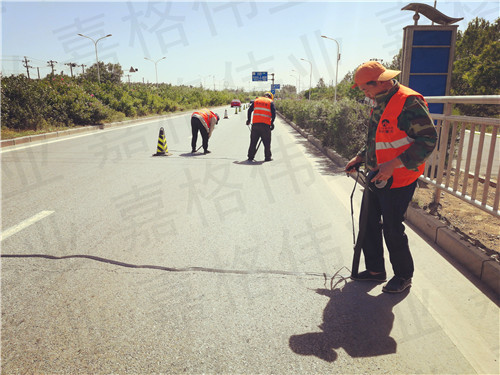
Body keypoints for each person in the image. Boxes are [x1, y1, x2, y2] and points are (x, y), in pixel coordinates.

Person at [345, 61, 437, 293]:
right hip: (378, 174)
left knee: (392, 228)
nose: (366, 94)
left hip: (400, 176)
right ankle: (376, 270)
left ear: (381, 82)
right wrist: (360, 157)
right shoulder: (381, 101)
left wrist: (393, 165)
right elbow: (379, 140)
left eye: (367, 89)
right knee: (368, 221)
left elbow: (427, 141)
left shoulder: (409, 102)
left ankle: (404, 275)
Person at [246, 92, 276, 162]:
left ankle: (250, 156)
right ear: (270, 97)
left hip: (255, 125)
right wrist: (271, 123)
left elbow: (249, 110)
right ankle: (267, 157)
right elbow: (274, 114)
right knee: (267, 142)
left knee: (253, 142)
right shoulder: (270, 102)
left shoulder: (257, 100)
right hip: (265, 126)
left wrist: (249, 120)